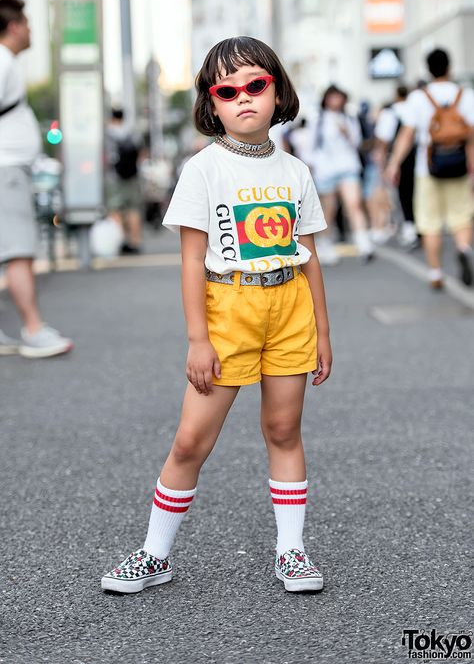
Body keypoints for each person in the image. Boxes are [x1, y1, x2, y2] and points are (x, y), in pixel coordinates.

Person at [101, 36, 332, 595]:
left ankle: (292, 552)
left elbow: (310, 255)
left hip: (289, 307)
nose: (243, 98)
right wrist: (197, 339)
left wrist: (323, 331)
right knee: (190, 441)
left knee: (283, 429)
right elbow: (189, 261)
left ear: (278, 91)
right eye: (227, 91)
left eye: (256, 85)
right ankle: (155, 554)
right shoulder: (203, 169)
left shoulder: (295, 170)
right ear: (212, 103)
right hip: (227, 309)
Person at [0, 0, 72, 358]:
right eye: (26, 23)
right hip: (6, 169)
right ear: (13, 26)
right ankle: (32, 329)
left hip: (9, 169)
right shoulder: (2, 60)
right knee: (20, 253)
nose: (29, 30)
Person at [386, 49, 474, 289]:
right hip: (460, 167)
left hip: (428, 169)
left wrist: (394, 163)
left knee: (429, 221)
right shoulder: (465, 95)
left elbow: (406, 135)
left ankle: (435, 273)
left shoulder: (418, 97)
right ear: (449, 67)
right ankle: (464, 248)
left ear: (428, 69)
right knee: (462, 216)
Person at [310, 85, 374, 265]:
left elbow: (357, 142)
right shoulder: (318, 118)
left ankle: (363, 243)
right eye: (332, 97)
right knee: (328, 209)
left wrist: (347, 132)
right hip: (326, 169)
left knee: (354, 204)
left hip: (347, 166)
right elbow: (311, 145)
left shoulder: (349, 118)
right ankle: (325, 244)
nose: (336, 101)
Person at [375, 86, 418, 250]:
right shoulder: (414, 107)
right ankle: (415, 227)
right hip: (420, 157)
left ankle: (410, 227)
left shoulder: (390, 112)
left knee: (404, 193)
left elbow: (383, 139)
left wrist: (387, 161)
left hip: (399, 157)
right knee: (415, 192)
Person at [105, 108, 143, 254]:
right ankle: (135, 242)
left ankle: (120, 241)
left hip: (114, 177)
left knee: (115, 209)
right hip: (132, 176)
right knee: (133, 209)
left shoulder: (108, 133)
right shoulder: (131, 132)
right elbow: (140, 152)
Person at [358, 100, 393, 246]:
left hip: (375, 165)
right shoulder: (371, 124)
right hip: (372, 165)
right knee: (376, 196)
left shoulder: (374, 126)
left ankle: (380, 226)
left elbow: (375, 144)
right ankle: (380, 226)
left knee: (376, 197)